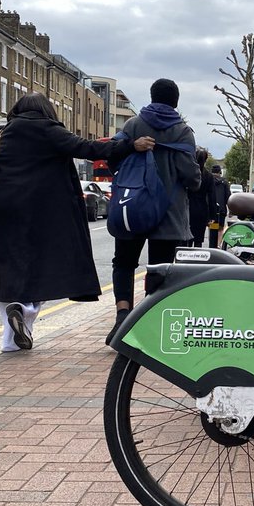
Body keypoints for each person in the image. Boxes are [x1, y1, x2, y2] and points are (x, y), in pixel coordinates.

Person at [0, 92, 151, 352]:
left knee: (8, 266)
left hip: (2, 209)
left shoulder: (2, 133)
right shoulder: (49, 130)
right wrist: (131, 145)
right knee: (39, 266)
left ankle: (12, 340)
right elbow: (89, 149)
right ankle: (25, 311)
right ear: (46, 110)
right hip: (41, 211)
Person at [108, 78, 199, 343]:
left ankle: (122, 314)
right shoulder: (182, 131)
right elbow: (189, 174)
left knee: (123, 263)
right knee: (160, 268)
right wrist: (196, 180)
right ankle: (148, 320)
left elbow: (114, 155)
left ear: (151, 97)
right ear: (176, 101)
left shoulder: (132, 125)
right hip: (168, 213)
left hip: (132, 206)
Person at [187, 147, 216, 247]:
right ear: (206, 159)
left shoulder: (189, 174)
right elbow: (212, 197)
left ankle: (184, 260)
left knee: (187, 239)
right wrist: (213, 216)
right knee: (198, 239)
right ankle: (197, 260)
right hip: (202, 210)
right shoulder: (208, 176)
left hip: (187, 208)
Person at [209, 164, 230, 248]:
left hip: (211, 208)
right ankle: (218, 244)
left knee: (212, 227)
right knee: (220, 228)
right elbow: (228, 196)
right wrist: (231, 209)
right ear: (220, 172)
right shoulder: (224, 182)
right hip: (221, 209)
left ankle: (211, 243)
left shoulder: (208, 180)